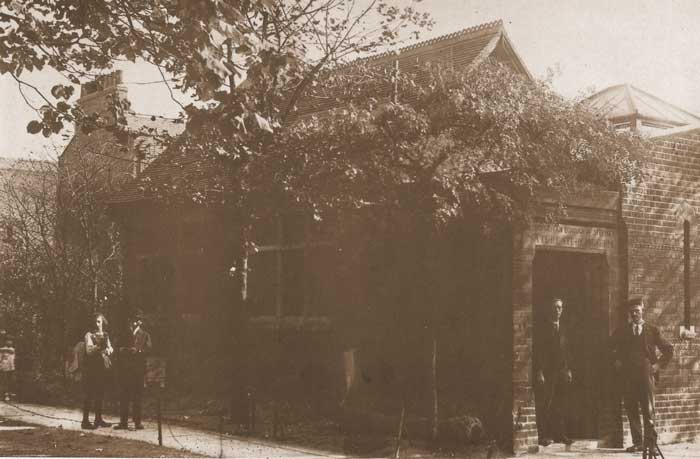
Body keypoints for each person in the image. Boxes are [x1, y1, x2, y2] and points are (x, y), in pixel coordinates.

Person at [611, 298, 673, 453]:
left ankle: (650, 444)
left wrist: (657, 366)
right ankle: (638, 442)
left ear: (642, 310)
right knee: (631, 408)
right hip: (628, 376)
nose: (634, 314)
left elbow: (668, 349)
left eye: (637, 311)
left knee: (648, 409)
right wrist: (616, 360)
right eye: (632, 311)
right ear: (629, 313)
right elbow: (609, 348)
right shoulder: (622, 330)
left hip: (646, 376)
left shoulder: (652, 330)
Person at [533, 297, 573, 447]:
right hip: (547, 372)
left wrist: (568, 369)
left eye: (560, 307)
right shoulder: (543, 328)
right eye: (555, 307)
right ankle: (543, 436)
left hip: (561, 371)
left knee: (560, 404)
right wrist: (539, 372)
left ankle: (560, 434)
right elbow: (538, 352)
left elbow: (566, 351)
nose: (558, 310)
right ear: (550, 309)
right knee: (545, 403)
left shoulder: (563, 328)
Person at [114, 311, 151, 430]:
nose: (135, 322)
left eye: (138, 320)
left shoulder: (145, 334)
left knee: (137, 396)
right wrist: (125, 350)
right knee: (124, 395)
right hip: (125, 369)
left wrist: (139, 352)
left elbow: (149, 349)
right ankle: (123, 422)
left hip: (138, 369)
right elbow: (117, 348)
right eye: (133, 320)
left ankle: (137, 422)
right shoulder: (123, 333)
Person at [82, 313, 113, 429]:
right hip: (91, 367)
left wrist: (108, 350)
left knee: (100, 393)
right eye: (96, 321)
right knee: (89, 393)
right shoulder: (89, 335)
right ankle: (85, 421)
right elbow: (89, 351)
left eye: (100, 322)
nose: (98, 324)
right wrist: (98, 346)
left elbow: (110, 348)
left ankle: (98, 419)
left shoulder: (105, 335)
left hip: (101, 367)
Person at [0, 335, 16, 401]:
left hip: (11, 367)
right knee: (4, 380)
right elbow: (0, 357)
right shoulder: (2, 349)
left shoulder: (13, 349)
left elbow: (13, 355)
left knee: (10, 380)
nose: (10, 342)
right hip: (4, 366)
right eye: (8, 340)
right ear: (6, 341)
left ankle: (9, 393)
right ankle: (5, 394)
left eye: (11, 341)